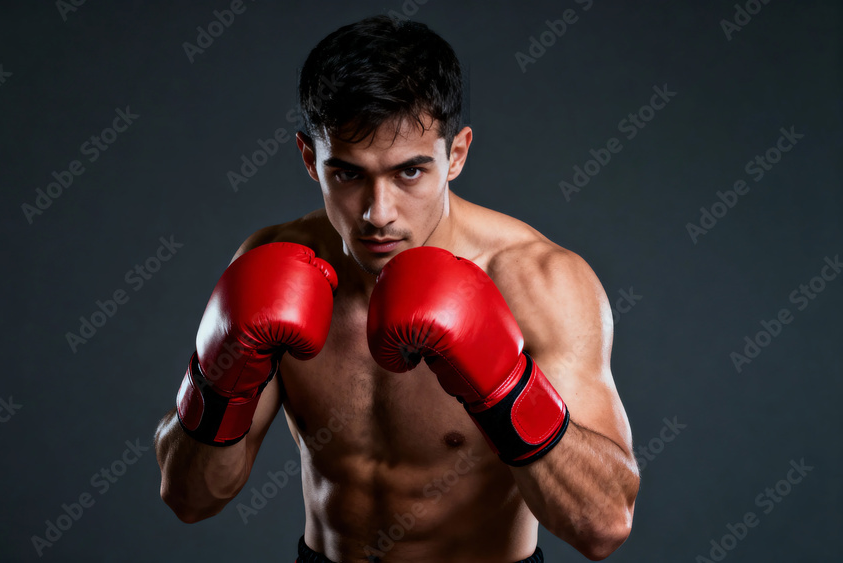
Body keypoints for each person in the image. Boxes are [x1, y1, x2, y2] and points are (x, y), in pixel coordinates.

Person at [154, 14, 639, 563]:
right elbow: (190, 498)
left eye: (409, 172)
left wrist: (504, 388)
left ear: (456, 155)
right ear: (310, 159)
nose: (377, 214)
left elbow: (603, 526)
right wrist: (220, 384)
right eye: (348, 173)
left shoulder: (538, 282)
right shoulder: (272, 265)